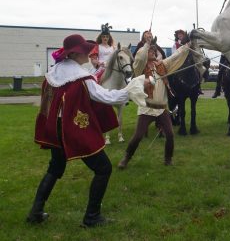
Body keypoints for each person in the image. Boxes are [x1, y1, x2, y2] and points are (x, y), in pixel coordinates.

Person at [27, 34, 148, 227]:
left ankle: (35, 212)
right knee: (103, 168)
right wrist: (133, 88)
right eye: (85, 50)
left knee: (55, 167)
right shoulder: (81, 77)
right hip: (72, 129)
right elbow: (106, 97)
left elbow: (47, 105)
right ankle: (92, 217)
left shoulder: (54, 73)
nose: (89, 52)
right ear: (75, 54)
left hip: (56, 128)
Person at [118, 40, 191, 168]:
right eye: (149, 50)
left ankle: (168, 159)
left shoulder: (162, 66)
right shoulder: (140, 67)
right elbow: (140, 58)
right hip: (147, 109)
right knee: (138, 136)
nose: (152, 51)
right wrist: (146, 44)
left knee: (170, 135)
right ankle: (126, 157)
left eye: (153, 50)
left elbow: (175, 56)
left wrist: (186, 47)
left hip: (162, 109)